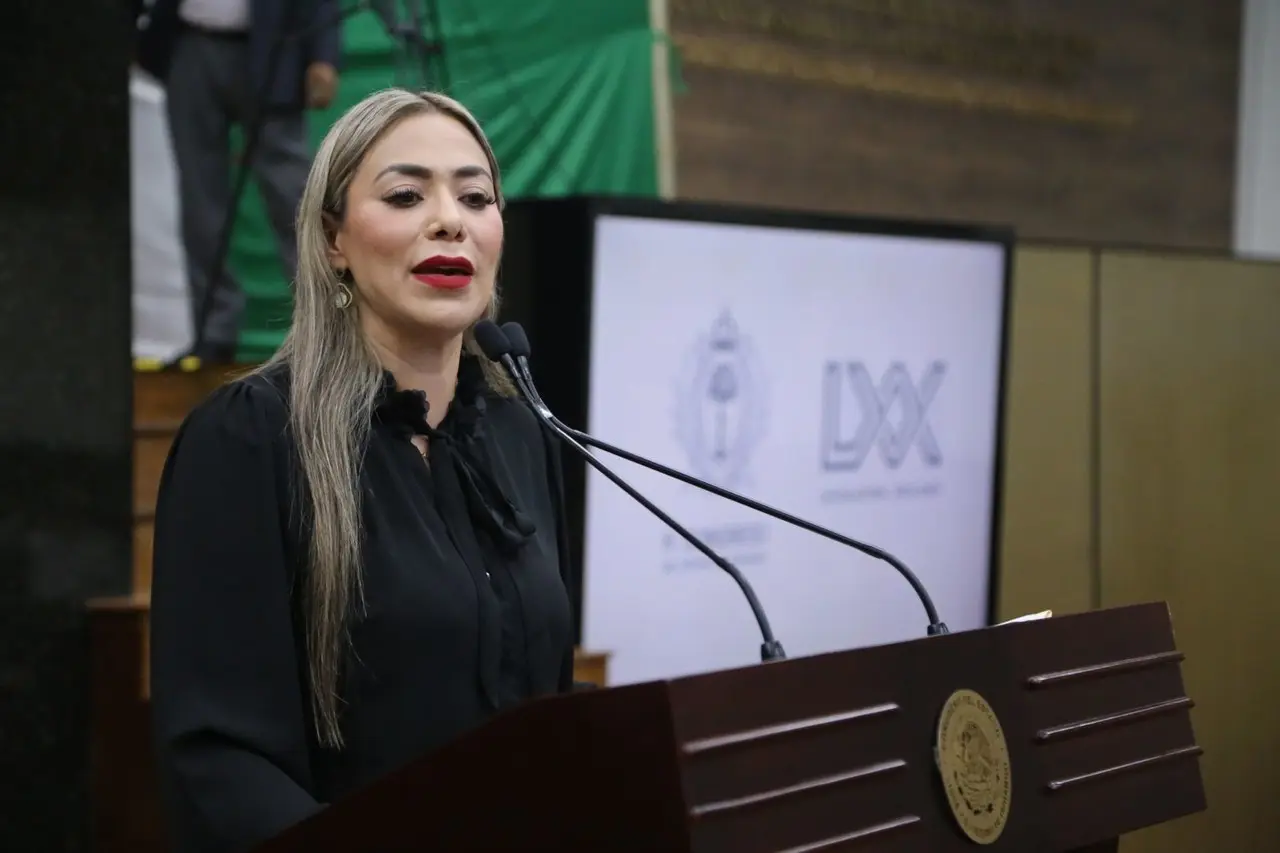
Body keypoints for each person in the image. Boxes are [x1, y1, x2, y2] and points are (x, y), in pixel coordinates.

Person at [148, 88, 577, 853]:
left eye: (476, 196)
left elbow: (550, 696)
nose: (450, 218)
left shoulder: (522, 431)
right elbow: (219, 757)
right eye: (407, 194)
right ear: (333, 238)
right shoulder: (251, 438)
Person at [136, 0, 342, 366]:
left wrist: (323, 55)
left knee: (294, 199)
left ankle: (326, 329)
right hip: (188, 44)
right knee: (199, 198)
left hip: (272, 48)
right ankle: (214, 332)